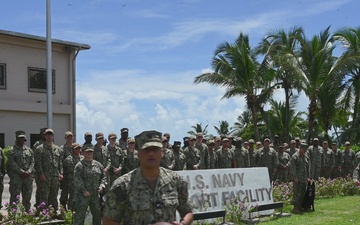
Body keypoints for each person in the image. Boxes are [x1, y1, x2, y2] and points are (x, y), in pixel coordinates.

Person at [102, 130, 193, 225]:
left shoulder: (176, 180)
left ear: (162, 152)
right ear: (138, 153)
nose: (151, 153)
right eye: (146, 149)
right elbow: (109, 220)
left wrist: (183, 224)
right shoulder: (123, 185)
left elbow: (187, 211)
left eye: (155, 149)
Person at [73, 148, 107, 225]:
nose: (89, 153)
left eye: (90, 152)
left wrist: (102, 185)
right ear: (83, 153)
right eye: (87, 152)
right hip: (83, 195)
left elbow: (104, 176)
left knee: (97, 216)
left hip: (95, 195)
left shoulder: (98, 165)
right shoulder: (79, 165)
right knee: (80, 216)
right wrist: (84, 191)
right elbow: (77, 179)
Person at [34, 128, 63, 211]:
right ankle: (43, 214)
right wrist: (41, 174)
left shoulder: (57, 149)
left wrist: (61, 173)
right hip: (45, 177)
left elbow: (60, 163)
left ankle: (54, 212)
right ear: (45, 136)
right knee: (44, 196)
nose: (49, 136)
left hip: (55, 176)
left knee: (54, 195)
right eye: (48, 135)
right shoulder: (39, 148)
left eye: (51, 135)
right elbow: (38, 163)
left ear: (53, 136)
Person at [7, 131, 34, 211]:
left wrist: (29, 171)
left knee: (27, 196)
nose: (22, 139)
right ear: (16, 139)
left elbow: (32, 162)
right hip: (16, 178)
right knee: (15, 197)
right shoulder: (11, 150)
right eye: (20, 138)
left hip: (27, 178)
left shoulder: (29, 150)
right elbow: (12, 163)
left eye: (23, 138)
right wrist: (22, 172)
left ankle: (26, 213)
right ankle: (13, 214)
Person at [289, 142, 310, 214]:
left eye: (306, 149)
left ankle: (300, 207)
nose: (305, 150)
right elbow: (292, 168)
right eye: (304, 149)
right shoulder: (295, 156)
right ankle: (295, 208)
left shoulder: (305, 156)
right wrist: (295, 177)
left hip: (304, 178)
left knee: (302, 193)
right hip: (297, 179)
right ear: (300, 148)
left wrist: (308, 176)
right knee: (297, 193)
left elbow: (307, 167)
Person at [62, 143, 84, 211]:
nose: (78, 150)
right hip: (72, 181)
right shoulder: (69, 159)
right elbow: (73, 170)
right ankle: (71, 211)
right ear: (72, 149)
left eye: (79, 148)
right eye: (76, 148)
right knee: (72, 196)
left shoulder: (83, 158)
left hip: (82, 181)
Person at [59, 131, 74, 209]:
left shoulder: (76, 147)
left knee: (73, 193)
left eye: (71, 136)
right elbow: (60, 162)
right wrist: (61, 173)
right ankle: (63, 209)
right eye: (68, 137)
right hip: (65, 174)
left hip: (74, 175)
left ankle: (71, 209)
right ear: (65, 138)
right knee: (64, 192)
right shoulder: (62, 149)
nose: (70, 138)